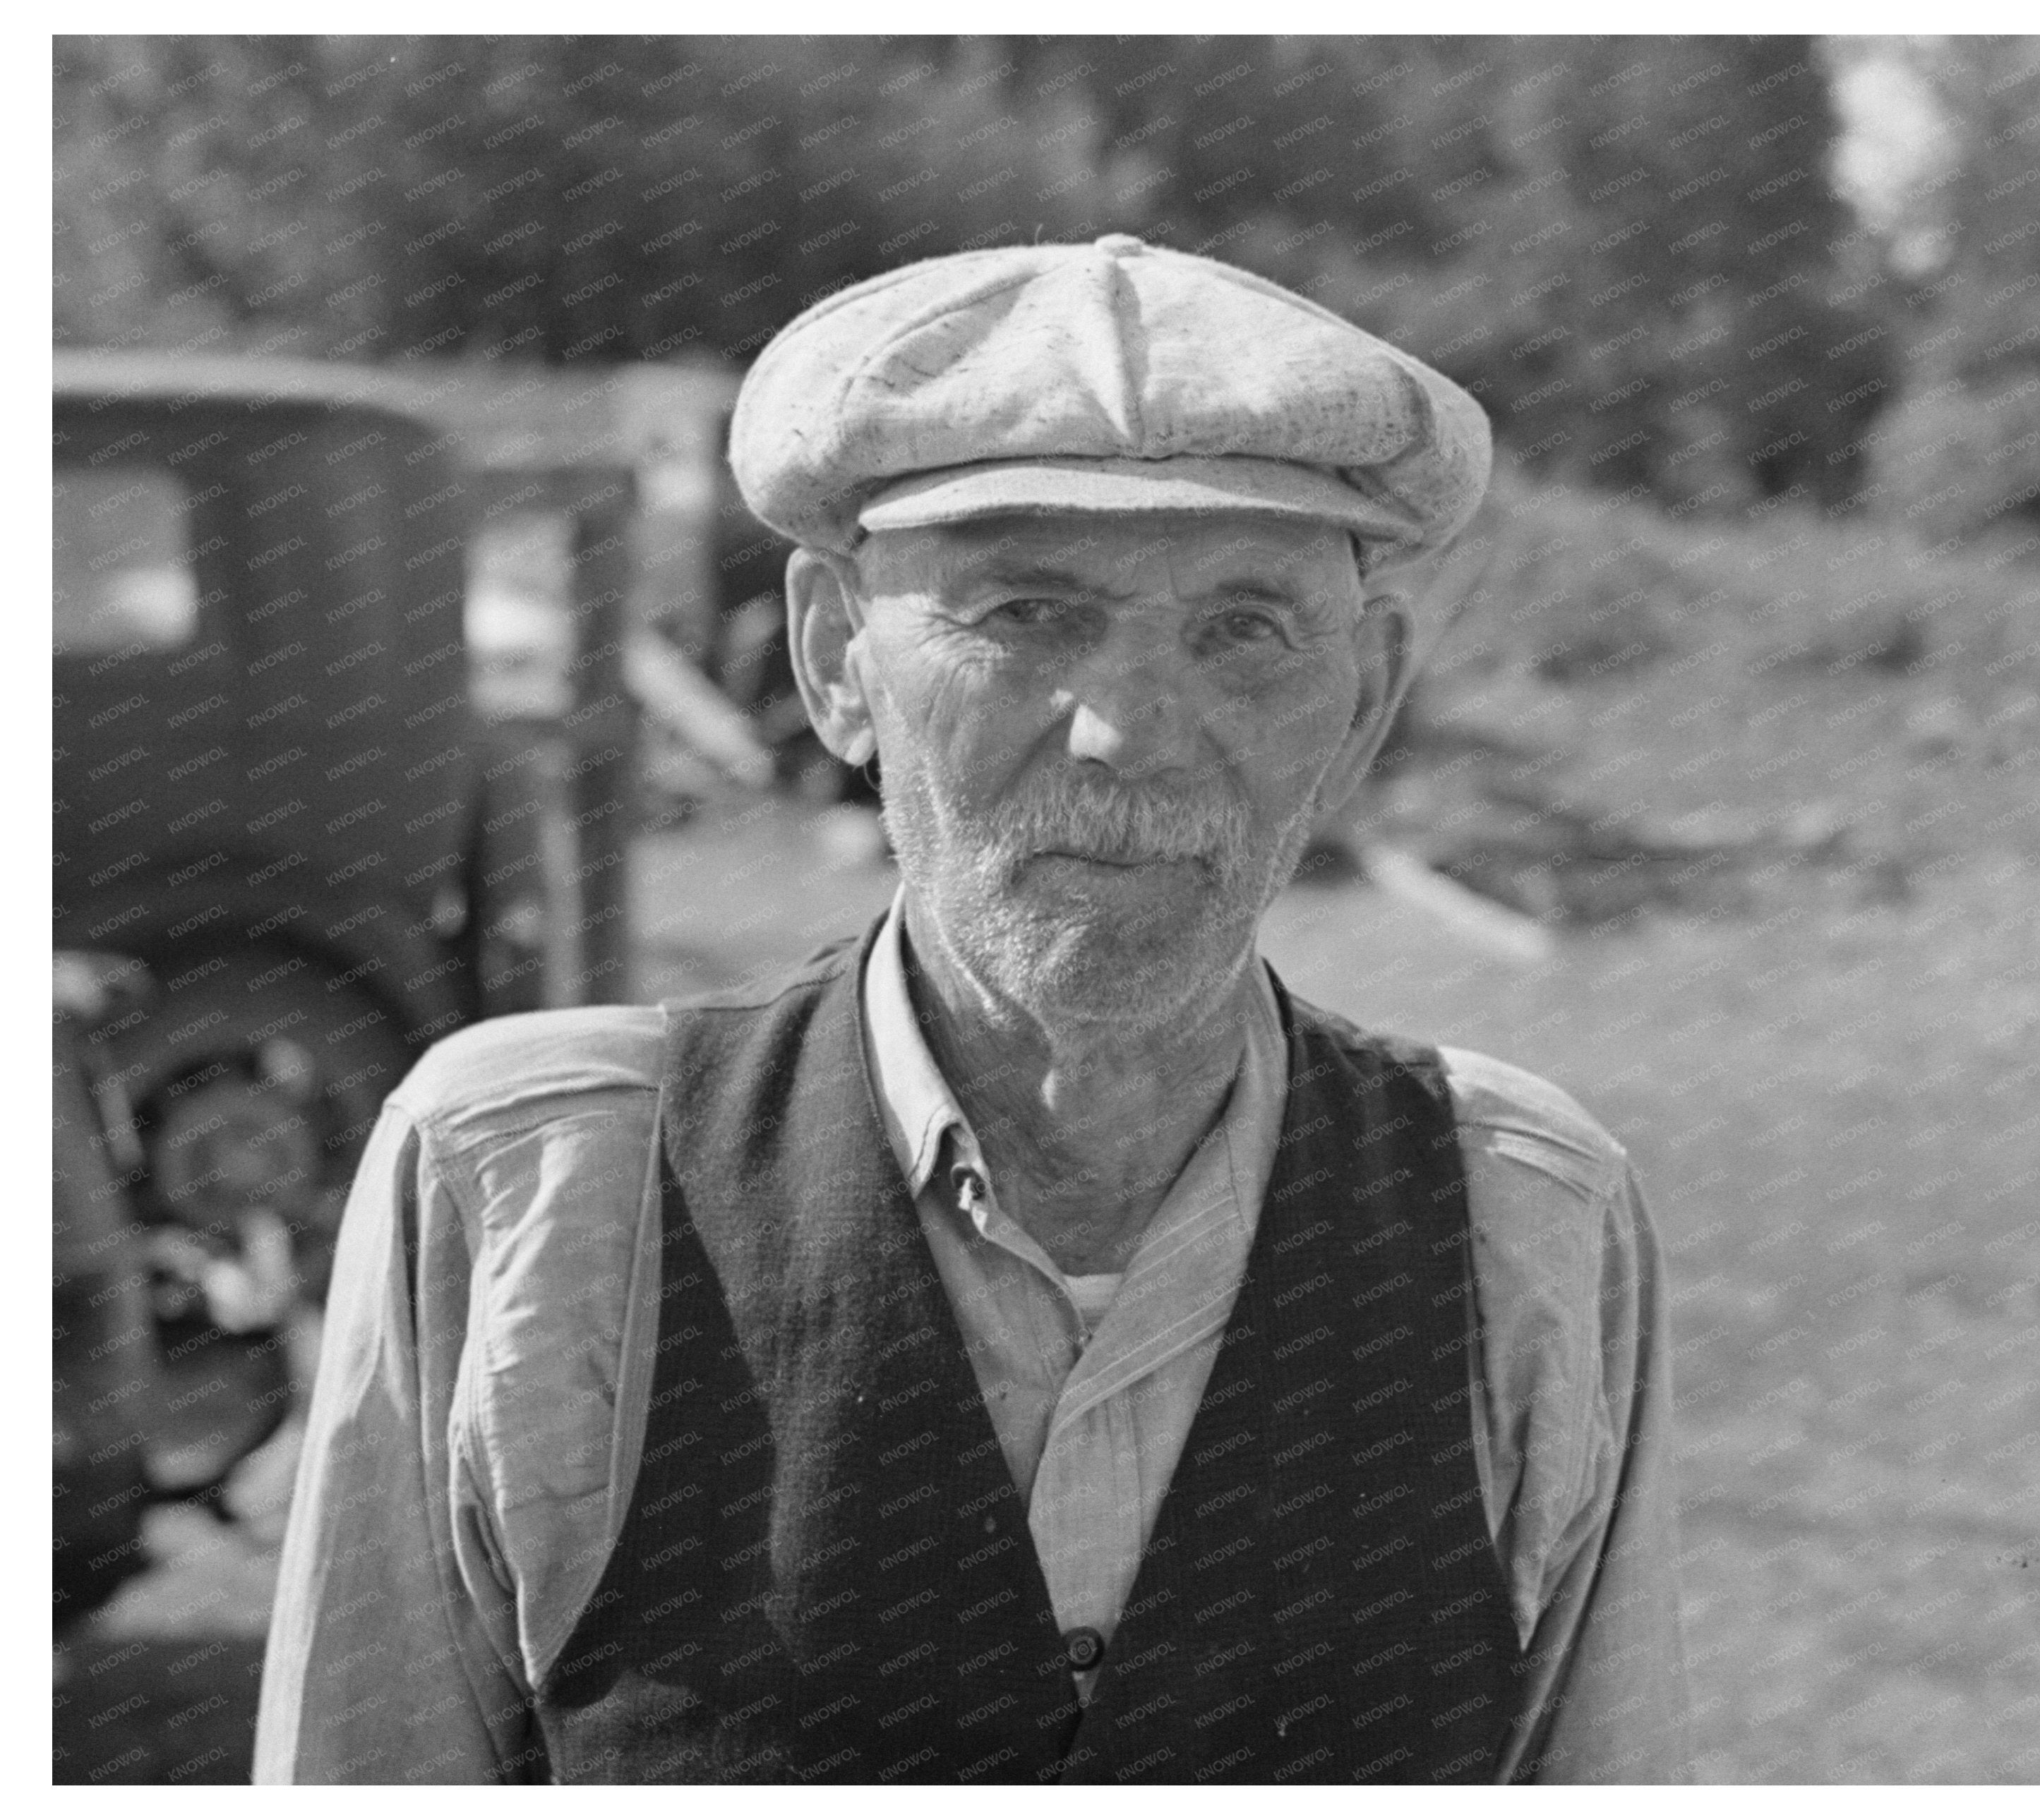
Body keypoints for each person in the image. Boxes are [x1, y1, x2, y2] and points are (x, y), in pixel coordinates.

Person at [254, 234, 1688, 1785]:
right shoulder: (532, 1187)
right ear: (834, 660)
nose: (1129, 736)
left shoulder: (1524, 1225)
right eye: (1023, 614)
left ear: (1367, 699)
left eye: (1246, 629)